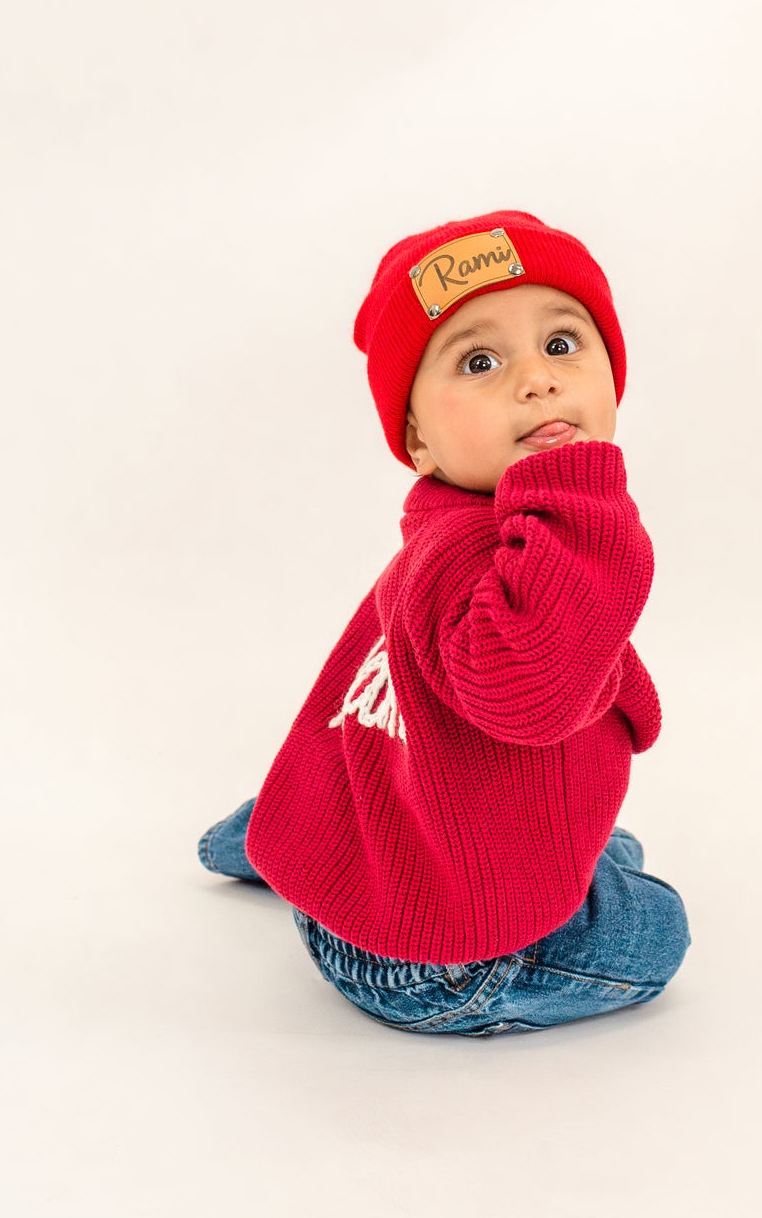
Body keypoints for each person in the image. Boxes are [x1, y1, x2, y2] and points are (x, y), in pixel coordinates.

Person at [197, 209, 690, 1037]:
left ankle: (291, 836)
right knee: (656, 928)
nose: (535, 380)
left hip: (373, 881)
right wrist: (578, 502)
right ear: (418, 439)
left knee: (600, 837)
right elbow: (531, 697)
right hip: (438, 962)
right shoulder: (494, 553)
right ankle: (317, 855)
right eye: (480, 360)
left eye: (562, 345)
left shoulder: (440, 533)